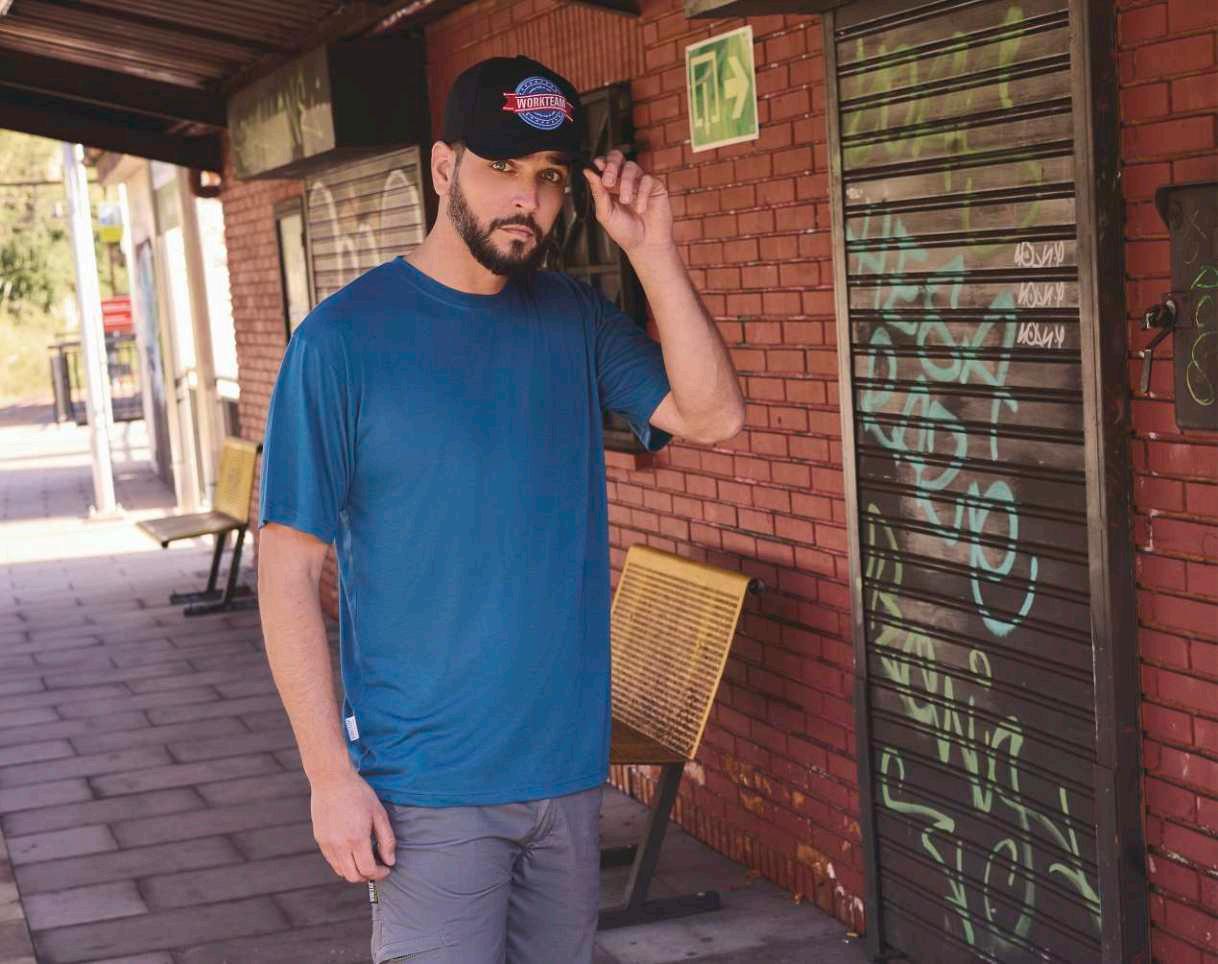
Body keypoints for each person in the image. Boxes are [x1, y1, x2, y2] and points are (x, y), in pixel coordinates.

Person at [256, 55, 745, 964]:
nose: (528, 198)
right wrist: (329, 777)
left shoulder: (573, 317)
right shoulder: (341, 341)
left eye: (550, 176)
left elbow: (714, 416)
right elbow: (286, 573)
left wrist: (653, 252)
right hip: (427, 785)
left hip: (566, 773)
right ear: (444, 168)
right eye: (501, 168)